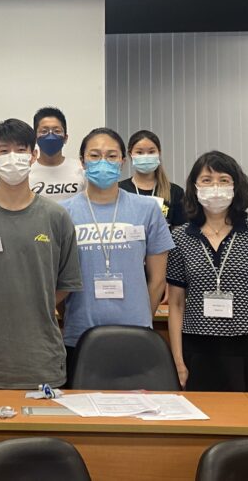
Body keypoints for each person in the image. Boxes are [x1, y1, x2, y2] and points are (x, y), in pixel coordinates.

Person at [0, 119, 82, 389]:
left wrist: (32, 298)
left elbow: (65, 284)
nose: (13, 158)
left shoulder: (57, 217)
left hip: (42, 363)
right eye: (4, 151)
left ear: (33, 156)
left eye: (21, 150)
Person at [167, 151, 248, 394]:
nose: (216, 188)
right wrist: (179, 361)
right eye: (207, 180)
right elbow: (176, 304)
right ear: (194, 187)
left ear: (236, 187)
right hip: (198, 348)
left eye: (224, 180)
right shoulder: (180, 237)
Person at [61, 128, 174, 372]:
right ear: (82, 162)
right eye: (95, 155)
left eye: (112, 156)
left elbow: (157, 280)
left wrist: (142, 319)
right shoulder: (63, 213)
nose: (104, 162)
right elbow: (58, 283)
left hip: (136, 333)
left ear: (123, 161)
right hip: (79, 334)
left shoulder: (147, 209)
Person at [119, 130, 186, 227]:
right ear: (130, 154)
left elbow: (180, 231)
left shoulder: (175, 192)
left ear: (159, 153)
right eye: (139, 152)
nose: (146, 156)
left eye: (151, 152)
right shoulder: (120, 189)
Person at [29, 106, 86, 202]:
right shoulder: (26, 172)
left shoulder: (81, 168)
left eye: (57, 131)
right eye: (44, 131)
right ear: (35, 138)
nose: (50, 135)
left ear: (65, 138)